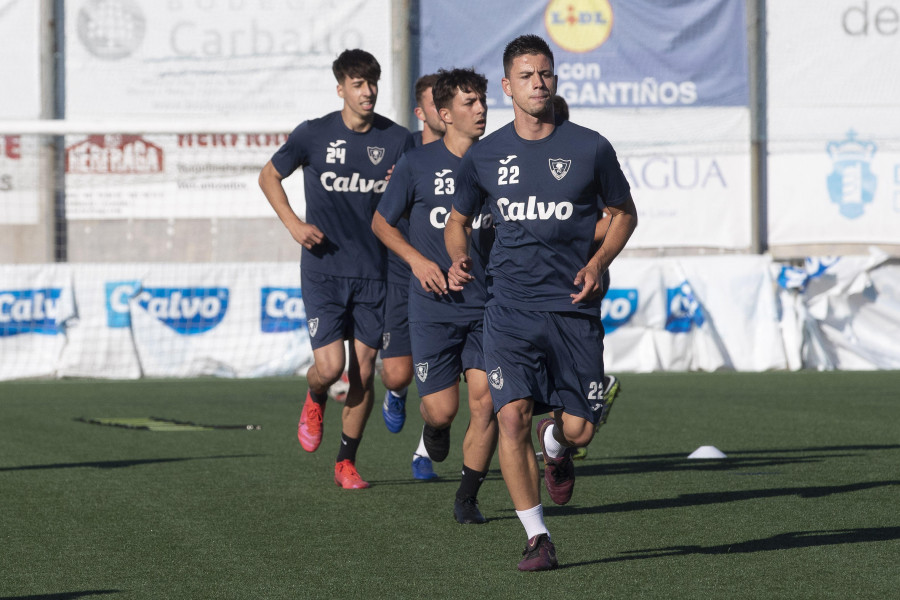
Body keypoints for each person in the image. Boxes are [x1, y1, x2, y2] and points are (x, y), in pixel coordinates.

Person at [445, 35, 638, 570]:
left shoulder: (590, 147)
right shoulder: (486, 154)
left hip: (573, 309)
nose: (539, 83)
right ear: (507, 86)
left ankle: (557, 446)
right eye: (527, 75)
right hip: (508, 310)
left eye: (546, 73)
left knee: (578, 429)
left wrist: (598, 264)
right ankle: (537, 537)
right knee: (510, 418)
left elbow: (624, 214)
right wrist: (459, 257)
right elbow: (457, 220)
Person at [258, 49, 414, 489]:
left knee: (364, 372)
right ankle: (314, 394)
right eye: (358, 84)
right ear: (341, 88)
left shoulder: (398, 139)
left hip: (376, 272)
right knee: (329, 368)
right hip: (324, 269)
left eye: (373, 83)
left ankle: (345, 462)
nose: (368, 92)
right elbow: (268, 175)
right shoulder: (313, 134)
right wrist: (293, 224)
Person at [373, 68, 497, 522]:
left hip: (488, 306)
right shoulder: (416, 164)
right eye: (470, 103)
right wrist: (419, 262)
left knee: (486, 400)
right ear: (444, 115)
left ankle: (467, 496)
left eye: (482, 100)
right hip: (433, 306)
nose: (481, 109)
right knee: (443, 410)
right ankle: (433, 427)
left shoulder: (500, 159)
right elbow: (382, 223)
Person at [551, 94, 622, 460]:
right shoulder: (513, 159)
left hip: (580, 283)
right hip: (529, 287)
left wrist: (569, 230)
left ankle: (559, 444)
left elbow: (616, 215)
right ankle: (557, 443)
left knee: (578, 426)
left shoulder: (584, 156)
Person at [380, 74, 446, 438]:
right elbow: (380, 213)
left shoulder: (470, 151)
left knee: (450, 382)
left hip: (448, 273)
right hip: (403, 269)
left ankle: (427, 444)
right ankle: (395, 391)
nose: (445, 109)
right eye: (435, 103)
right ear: (421, 112)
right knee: (397, 373)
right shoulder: (402, 150)